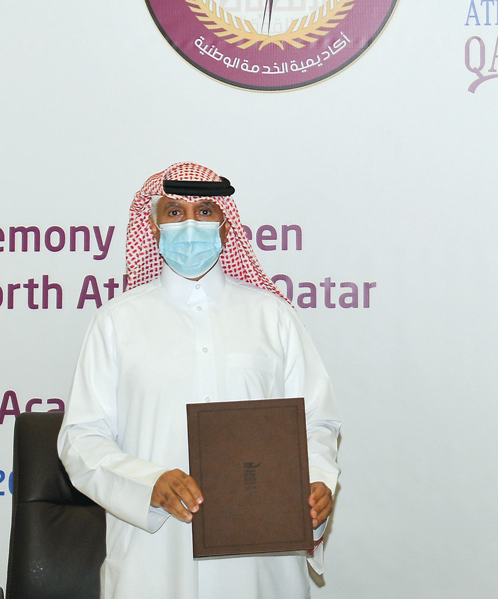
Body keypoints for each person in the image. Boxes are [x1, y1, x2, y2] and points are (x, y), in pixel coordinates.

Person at [58, 162, 340, 599]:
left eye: (205, 211)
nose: (190, 224)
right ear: (152, 227)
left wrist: (319, 480)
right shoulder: (116, 322)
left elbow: (316, 422)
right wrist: (147, 482)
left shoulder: (273, 318)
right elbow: (81, 438)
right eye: (174, 212)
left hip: (261, 565)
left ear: (226, 227)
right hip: (154, 560)